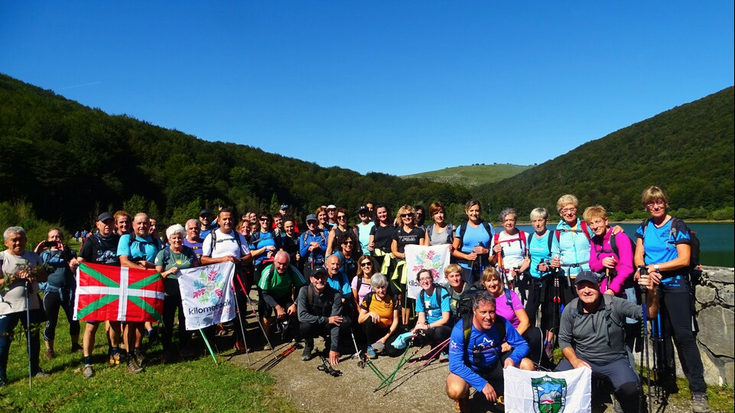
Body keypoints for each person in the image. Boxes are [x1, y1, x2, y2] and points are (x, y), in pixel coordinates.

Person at [634, 186, 712, 413]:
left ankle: (698, 390)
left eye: (658, 202)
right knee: (659, 335)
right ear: (646, 206)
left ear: (665, 203)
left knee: (684, 336)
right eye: (650, 203)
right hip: (653, 285)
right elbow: (639, 254)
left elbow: (684, 258)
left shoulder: (677, 225)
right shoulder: (645, 226)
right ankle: (666, 379)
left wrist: (654, 266)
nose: (655, 206)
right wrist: (643, 268)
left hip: (676, 285)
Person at [556, 271, 659, 413]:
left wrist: (652, 293)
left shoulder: (614, 303)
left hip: (613, 360)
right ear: (576, 289)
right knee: (557, 380)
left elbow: (648, 314)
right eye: (582, 287)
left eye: (590, 286)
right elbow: (563, 339)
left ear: (599, 286)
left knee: (630, 389)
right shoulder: (571, 309)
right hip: (583, 359)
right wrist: (574, 361)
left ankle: (618, 395)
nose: (586, 291)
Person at [446, 291, 530, 412]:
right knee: (455, 389)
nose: (488, 317)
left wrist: (512, 359)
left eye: (491, 312)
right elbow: (455, 365)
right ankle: (463, 399)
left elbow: (522, 344)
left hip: (496, 364)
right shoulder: (461, 329)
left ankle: (517, 399)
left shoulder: (501, 323)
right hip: (473, 367)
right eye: (483, 312)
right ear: (474, 310)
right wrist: (482, 384)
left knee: (527, 365)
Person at [584, 205, 640, 353]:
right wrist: (601, 263)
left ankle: (628, 372)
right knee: (606, 333)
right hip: (605, 291)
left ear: (606, 220)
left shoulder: (619, 237)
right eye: (591, 224)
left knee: (624, 336)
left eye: (597, 222)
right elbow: (592, 265)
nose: (595, 227)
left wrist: (612, 289)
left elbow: (627, 267)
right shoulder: (594, 241)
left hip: (621, 291)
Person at [0, 226, 49, 386]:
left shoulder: (33, 256)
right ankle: (1, 376)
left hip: (31, 305)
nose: (18, 242)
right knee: (3, 343)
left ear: (26, 240)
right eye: (14, 240)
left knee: (33, 340)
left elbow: (44, 276)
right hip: (7, 308)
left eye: (21, 239)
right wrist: (14, 277)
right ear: (6, 242)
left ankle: (35, 369)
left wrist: (33, 273)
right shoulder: (2, 258)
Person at [76, 212, 124, 378]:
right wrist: (77, 263)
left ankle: (114, 350)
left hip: (115, 288)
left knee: (115, 322)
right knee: (92, 325)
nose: (107, 226)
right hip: (96, 290)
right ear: (97, 224)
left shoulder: (119, 240)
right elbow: (81, 260)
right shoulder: (91, 241)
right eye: (104, 223)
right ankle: (87, 361)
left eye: (110, 223)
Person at [201, 208, 252, 351]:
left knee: (239, 307)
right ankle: (211, 340)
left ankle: (239, 338)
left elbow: (248, 256)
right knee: (214, 308)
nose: (227, 221)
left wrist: (238, 260)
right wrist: (222, 260)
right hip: (216, 279)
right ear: (219, 220)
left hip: (236, 277)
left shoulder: (238, 236)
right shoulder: (212, 236)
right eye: (224, 219)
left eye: (230, 218)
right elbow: (203, 259)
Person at [117, 212, 160, 373]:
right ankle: (128, 357)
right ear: (133, 225)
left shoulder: (155, 241)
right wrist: (142, 268)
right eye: (139, 223)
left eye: (145, 223)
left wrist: (149, 266)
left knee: (142, 319)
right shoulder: (126, 239)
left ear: (150, 225)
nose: (142, 226)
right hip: (129, 284)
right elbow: (123, 261)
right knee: (130, 321)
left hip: (147, 286)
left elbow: (160, 264)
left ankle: (137, 350)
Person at [480, 267, 543, 368]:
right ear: (484, 283)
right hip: (497, 337)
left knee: (535, 333)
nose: (492, 284)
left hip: (516, 334)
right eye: (488, 281)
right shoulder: (483, 300)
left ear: (499, 280)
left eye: (494, 279)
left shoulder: (510, 295)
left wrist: (511, 342)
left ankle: (537, 365)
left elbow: (525, 322)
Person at [155, 224, 199, 363]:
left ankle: (185, 346)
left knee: (184, 319)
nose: (177, 241)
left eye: (179, 238)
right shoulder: (164, 253)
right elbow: (157, 275)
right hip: (169, 293)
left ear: (183, 238)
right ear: (169, 240)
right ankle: (166, 350)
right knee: (167, 322)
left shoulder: (189, 252)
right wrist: (168, 272)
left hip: (186, 293)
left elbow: (197, 269)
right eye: (174, 238)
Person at [35, 228, 81, 360]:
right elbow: (35, 268)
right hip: (51, 290)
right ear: (48, 240)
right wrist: (37, 252)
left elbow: (75, 270)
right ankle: (49, 349)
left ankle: (75, 344)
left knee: (74, 319)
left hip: (69, 290)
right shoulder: (44, 255)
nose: (56, 239)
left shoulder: (70, 252)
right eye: (52, 237)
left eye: (58, 237)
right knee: (50, 321)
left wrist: (65, 253)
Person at [297, 266, 351, 365]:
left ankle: (330, 343)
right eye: (316, 278)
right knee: (303, 326)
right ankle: (309, 344)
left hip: (328, 326)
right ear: (311, 279)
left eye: (322, 277)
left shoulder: (336, 295)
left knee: (345, 322)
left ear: (326, 278)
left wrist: (334, 348)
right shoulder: (304, 291)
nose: (320, 280)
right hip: (314, 324)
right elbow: (302, 316)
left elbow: (335, 321)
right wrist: (326, 320)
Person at [257, 251, 307, 347]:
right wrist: (277, 307)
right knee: (266, 313)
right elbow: (264, 293)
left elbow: (303, 287)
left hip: (284, 295)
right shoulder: (268, 272)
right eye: (279, 264)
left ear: (288, 263)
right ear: (274, 262)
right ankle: (266, 338)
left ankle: (290, 333)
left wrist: (295, 304)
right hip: (268, 295)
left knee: (292, 311)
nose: (281, 267)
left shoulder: (292, 270)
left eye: (285, 264)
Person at [525, 208, 556, 357]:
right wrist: (519, 269)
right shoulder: (530, 238)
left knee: (549, 313)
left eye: (540, 220)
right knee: (529, 312)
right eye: (535, 221)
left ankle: (548, 343)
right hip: (534, 279)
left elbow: (557, 258)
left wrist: (548, 265)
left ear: (546, 221)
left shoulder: (552, 237)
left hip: (549, 279)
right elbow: (528, 259)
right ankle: (531, 340)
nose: (537, 224)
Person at [391, 204, 426, 326]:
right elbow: (394, 251)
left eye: (409, 214)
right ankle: (405, 323)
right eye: (404, 215)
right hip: (403, 267)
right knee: (404, 295)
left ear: (414, 216)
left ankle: (418, 321)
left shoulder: (419, 231)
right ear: (400, 217)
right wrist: (404, 255)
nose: (407, 217)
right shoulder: (397, 232)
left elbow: (422, 249)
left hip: (416, 267)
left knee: (416, 293)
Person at [452, 199, 495, 285]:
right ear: (466, 211)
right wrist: (467, 256)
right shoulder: (462, 228)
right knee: (468, 295)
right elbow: (453, 250)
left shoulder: (487, 226)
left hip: (484, 267)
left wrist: (485, 251)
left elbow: (495, 247)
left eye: (477, 210)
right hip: (466, 267)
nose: (474, 213)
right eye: (471, 211)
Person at [412, 269, 452, 360]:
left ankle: (445, 349)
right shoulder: (421, 295)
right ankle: (435, 346)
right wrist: (416, 328)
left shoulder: (441, 292)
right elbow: (421, 318)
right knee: (414, 337)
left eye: (427, 278)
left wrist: (428, 326)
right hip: (430, 327)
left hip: (444, 327)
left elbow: (445, 319)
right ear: (419, 282)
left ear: (432, 279)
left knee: (438, 332)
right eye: (422, 279)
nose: (425, 281)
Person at [492, 208, 530, 303]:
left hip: (520, 277)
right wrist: (495, 252)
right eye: (506, 220)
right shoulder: (497, 237)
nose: (509, 223)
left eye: (511, 220)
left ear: (515, 221)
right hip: (503, 278)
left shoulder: (525, 236)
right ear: (502, 223)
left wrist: (520, 271)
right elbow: (492, 261)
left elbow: (528, 258)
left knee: (521, 306)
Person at [358, 273, 399, 359]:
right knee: (369, 319)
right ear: (374, 288)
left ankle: (379, 345)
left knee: (392, 352)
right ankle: (370, 346)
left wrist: (385, 338)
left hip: (387, 331)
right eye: (378, 288)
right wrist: (369, 313)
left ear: (386, 286)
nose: (381, 290)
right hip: (374, 331)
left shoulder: (393, 298)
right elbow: (360, 320)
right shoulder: (369, 297)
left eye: (383, 287)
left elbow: (396, 321)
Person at [368, 204, 395, 274]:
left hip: (392, 257)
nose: (382, 214)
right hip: (378, 258)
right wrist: (371, 247)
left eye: (384, 212)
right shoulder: (374, 228)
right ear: (376, 215)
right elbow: (371, 243)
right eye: (379, 213)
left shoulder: (394, 226)